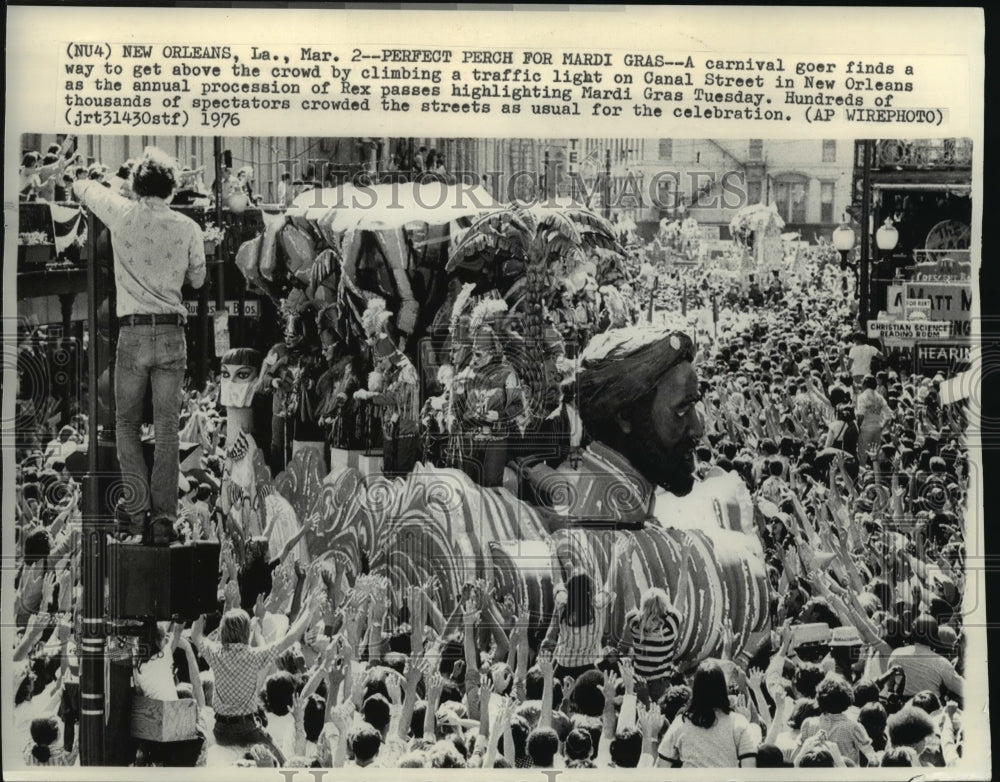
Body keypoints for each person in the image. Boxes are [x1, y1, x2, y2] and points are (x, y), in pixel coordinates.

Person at [74, 146, 206, 544]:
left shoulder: (121, 213)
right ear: (172, 188)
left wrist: (108, 184)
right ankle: (163, 519)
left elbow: (84, 188)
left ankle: (135, 510)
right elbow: (198, 281)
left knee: (126, 425)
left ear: (136, 185)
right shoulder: (188, 228)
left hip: (131, 335)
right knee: (167, 428)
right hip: (171, 334)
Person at [656, 660, 758, 768]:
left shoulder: (680, 723)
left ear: (696, 689)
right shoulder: (738, 722)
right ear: (723, 689)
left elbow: (661, 769)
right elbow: (749, 770)